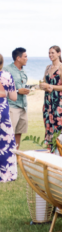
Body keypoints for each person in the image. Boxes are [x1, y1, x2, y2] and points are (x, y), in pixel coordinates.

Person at [40, 45, 62, 145]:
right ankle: (50, 148)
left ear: (58, 53)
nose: (50, 55)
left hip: (58, 100)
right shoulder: (48, 68)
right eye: (49, 53)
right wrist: (43, 86)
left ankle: (61, 148)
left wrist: (51, 86)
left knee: (59, 123)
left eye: (52, 53)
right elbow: (44, 83)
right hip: (48, 100)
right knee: (48, 123)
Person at [3, 48, 29, 148]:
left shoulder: (23, 71)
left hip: (23, 106)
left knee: (19, 133)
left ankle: (15, 157)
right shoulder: (6, 70)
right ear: (18, 58)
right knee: (9, 134)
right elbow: (3, 89)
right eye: (25, 56)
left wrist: (26, 90)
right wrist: (18, 91)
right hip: (12, 106)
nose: (27, 59)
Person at [0, 54, 18, 182]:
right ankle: (7, 174)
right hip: (3, 112)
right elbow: (14, 97)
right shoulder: (7, 75)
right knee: (5, 142)